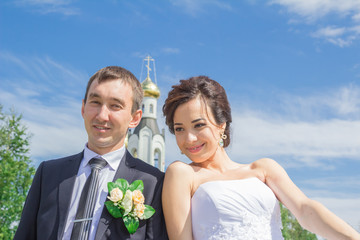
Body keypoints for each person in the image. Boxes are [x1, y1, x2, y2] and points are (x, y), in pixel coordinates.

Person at [162, 76, 360, 240]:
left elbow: (305, 210)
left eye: (198, 125)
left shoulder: (264, 168)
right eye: (179, 129)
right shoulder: (182, 174)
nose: (189, 138)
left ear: (221, 124)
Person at [14, 66, 168, 240]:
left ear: (135, 118)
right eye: (95, 102)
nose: (102, 115)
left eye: (115, 106)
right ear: (83, 108)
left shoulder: (154, 184)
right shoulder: (48, 173)